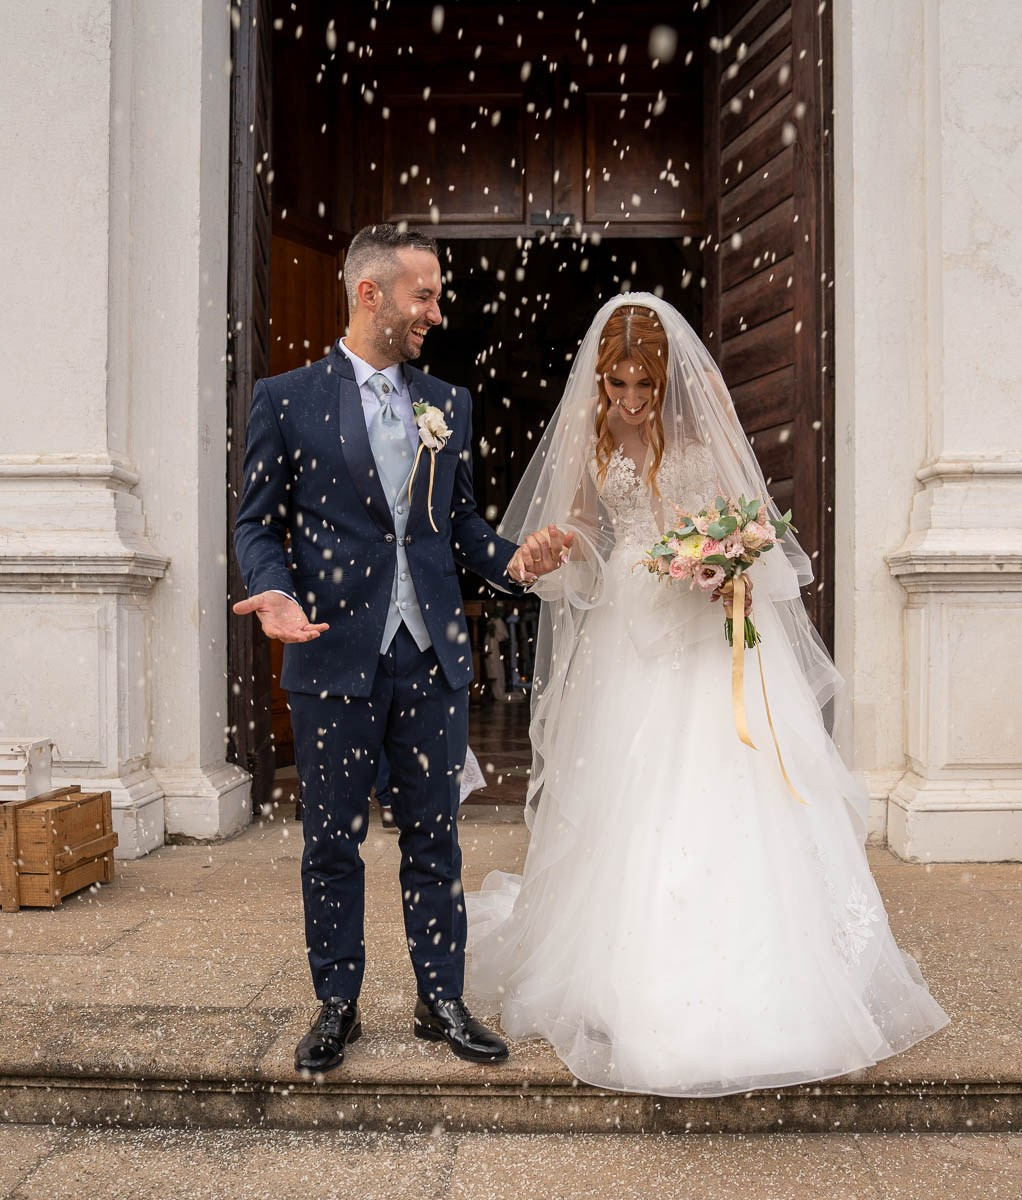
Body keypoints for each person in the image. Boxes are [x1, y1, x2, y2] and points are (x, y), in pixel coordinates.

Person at [465, 295, 949, 1097]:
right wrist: (562, 548)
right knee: (632, 787)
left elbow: (750, 518)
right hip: (629, 626)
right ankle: (632, 966)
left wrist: (725, 558)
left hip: (699, 626)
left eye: (642, 385)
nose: (628, 400)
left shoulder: (704, 411)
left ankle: (764, 964)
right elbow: (588, 532)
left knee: (728, 781)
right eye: (616, 385)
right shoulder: (593, 430)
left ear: (665, 378)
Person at [233, 224, 572, 1075]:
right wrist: (270, 588)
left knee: (435, 839)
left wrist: (513, 562)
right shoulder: (285, 399)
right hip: (331, 653)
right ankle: (336, 1003)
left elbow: (454, 524)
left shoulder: (447, 404)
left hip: (430, 657)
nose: (436, 311)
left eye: (438, 295)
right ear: (369, 294)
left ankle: (440, 999)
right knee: (332, 843)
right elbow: (256, 523)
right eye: (423, 294)